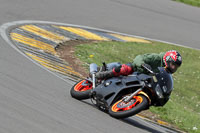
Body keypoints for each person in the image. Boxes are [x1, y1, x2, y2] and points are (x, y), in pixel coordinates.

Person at [95, 50, 182, 80]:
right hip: (136, 70)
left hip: (145, 79)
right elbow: (139, 57)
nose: (173, 67)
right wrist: (143, 64)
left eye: (176, 67)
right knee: (126, 69)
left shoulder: (166, 72)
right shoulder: (157, 58)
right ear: (167, 59)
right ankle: (105, 74)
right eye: (173, 64)